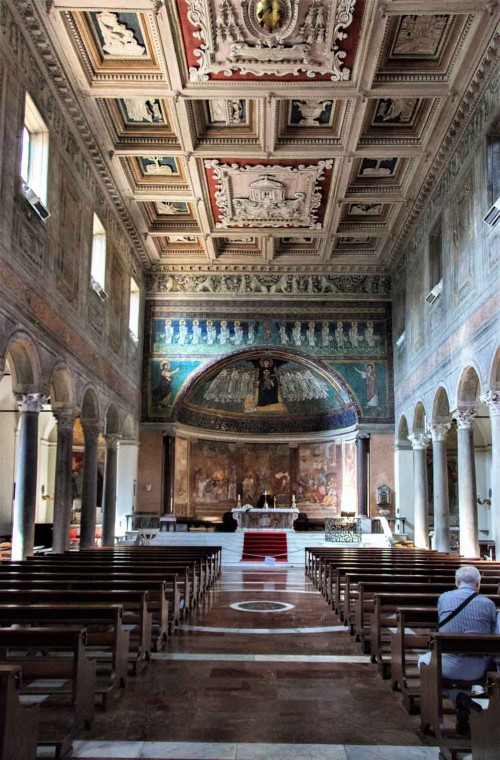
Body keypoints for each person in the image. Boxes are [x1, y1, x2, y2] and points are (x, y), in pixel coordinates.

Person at [419, 566, 497, 736]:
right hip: (478, 667)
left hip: (447, 664)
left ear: (456, 582)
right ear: (478, 584)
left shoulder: (445, 598)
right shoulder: (489, 604)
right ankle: (463, 699)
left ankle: (454, 699)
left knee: (424, 662)